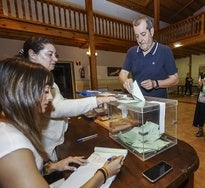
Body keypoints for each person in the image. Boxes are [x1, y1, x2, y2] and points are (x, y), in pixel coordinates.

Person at [0, 58, 124, 188]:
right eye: (46, 91)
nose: (50, 97)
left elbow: (31, 170)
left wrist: (54, 166)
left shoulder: (12, 128)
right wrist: (104, 173)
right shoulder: (13, 146)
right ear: (24, 92)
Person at [17, 36, 116, 161]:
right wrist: (97, 100)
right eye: (50, 54)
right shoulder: (30, 79)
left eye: (55, 55)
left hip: (57, 140)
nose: (55, 59)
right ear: (33, 54)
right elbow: (56, 108)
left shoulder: (44, 77)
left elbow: (59, 103)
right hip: (48, 146)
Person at [118, 15, 178, 98]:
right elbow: (123, 73)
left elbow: (175, 79)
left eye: (143, 34)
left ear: (151, 32)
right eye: (137, 36)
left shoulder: (165, 51)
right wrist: (126, 81)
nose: (140, 40)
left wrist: (155, 83)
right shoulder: (131, 52)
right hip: (137, 102)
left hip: (158, 104)